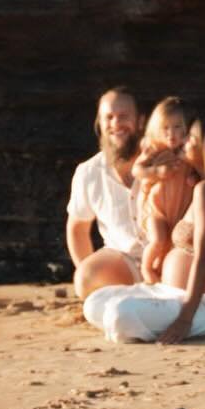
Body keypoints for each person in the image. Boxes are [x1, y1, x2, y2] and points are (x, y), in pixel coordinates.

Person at [83, 110, 205, 344]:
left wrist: (185, 319)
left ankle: (163, 323)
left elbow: (204, 257)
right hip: (172, 293)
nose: (184, 140)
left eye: (192, 139)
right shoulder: (201, 185)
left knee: (120, 314)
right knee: (95, 302)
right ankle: (149, 321)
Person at [66, 86, 144, 298]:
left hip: (167, 259)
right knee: (86, 276)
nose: (116, 123)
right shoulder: (88, 172)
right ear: (99, 124)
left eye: (123, 116)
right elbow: (78, 228)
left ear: (141, 121)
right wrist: (87, 276)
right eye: (108, 117)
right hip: (121, 265)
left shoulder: (166, 164)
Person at [131, 95, 199, 282]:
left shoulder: (190, 150)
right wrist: (157, 171)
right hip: (157, 210)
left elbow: (199, 170)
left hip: (181, 210)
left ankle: (165, 273)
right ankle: (146, 269)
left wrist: (195, 177)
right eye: (166, 128)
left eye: (178, 127)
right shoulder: (155, 149)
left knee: (173, 244)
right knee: (159, 240)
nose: (171, 133)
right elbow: (137, 170)